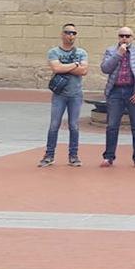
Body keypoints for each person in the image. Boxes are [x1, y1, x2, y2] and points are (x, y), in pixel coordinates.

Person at [100, 26, 135, 168]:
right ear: (118, 37)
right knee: (112, 126)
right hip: (115, 91)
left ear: (132, 38)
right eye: (122, 35)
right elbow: (105, 68)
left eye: (127, 36)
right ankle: (109, 156)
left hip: (134, 91)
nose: (124, 38)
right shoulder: (111, 51)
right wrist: (118, 54)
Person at [39, 24, 89, 168]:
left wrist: (65, 68)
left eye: (73, 33)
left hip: (76, 95)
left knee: (74, 126)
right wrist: (75, 65)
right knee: (54, 125)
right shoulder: (54, 52)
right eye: (67, 32)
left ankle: (73, 156)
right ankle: (49, 155)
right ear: (62, 34)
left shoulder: (82, 52)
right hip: (59, 94)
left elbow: (84, 71)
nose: (70, 35)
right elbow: (56, 68)